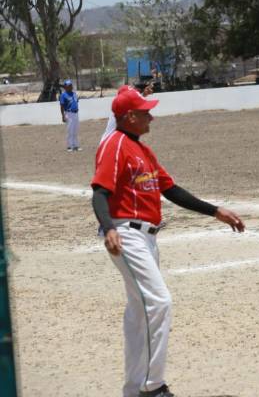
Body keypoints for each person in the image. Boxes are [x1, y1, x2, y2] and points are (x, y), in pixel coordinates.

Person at [91, 91, 246, 397]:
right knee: (159, 302)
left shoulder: (142, 150)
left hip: (147, 238)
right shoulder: (115, 145)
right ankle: (153, 387)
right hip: (126, 234)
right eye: (144, 112)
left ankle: (134, 389)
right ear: (129, 117)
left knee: (140, 313)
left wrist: (215, 211)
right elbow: (99, 192)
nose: (151, 116)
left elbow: (171, 190)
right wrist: (109, 228)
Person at [101, 79, 154, 143]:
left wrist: (143, 94)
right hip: (111, 143)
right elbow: (133, 103)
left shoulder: (120, 107)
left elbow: (134, 101)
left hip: (112, 141)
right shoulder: (122, 109)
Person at [59, 79, 80, 152]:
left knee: (75, 130)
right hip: (69, 113)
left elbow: (76, 102)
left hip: (76, 113)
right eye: (69, 86)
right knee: (70, 130)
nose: (71, 87)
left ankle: (76, 145)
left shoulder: (74, 94)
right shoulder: (63, 95)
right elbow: (61, 106)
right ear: (65, 87)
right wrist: (63, 116)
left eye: (71, 85)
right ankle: (69, 146)